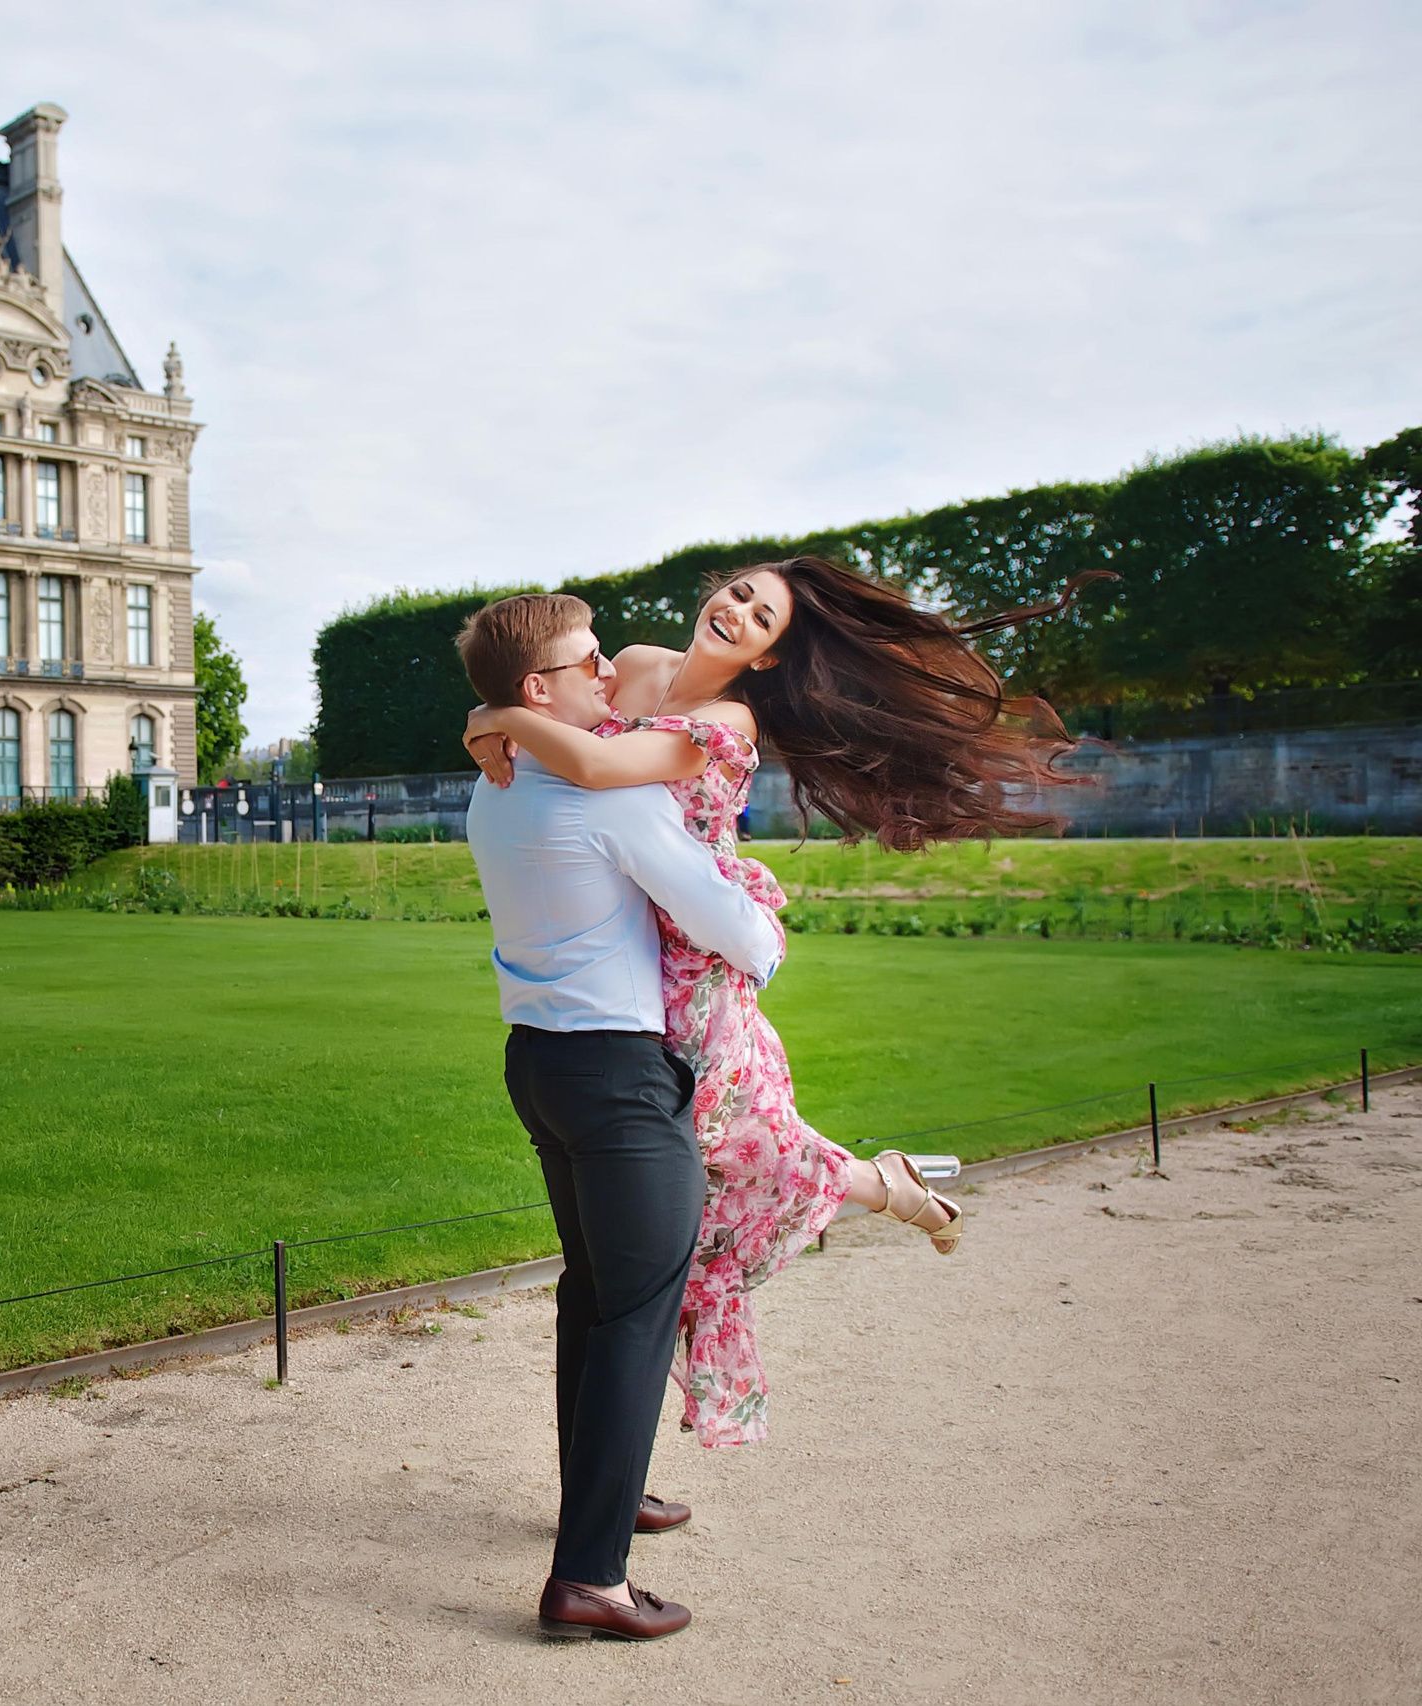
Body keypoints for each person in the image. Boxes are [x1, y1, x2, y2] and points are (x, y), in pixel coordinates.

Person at [464, 556, 1098, 1450]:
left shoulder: (727, 718)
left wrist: (495, 712)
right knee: (706, 1161)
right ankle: (887, 1186)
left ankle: (885, 1190)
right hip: (633, 932)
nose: (738, 612)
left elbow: (601, 768)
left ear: (767, 655)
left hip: (700, 949)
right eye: (739, 592)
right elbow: (563, 735)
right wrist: (499, 714)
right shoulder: (633, 664)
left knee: (723, 1149)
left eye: (762, 619)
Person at [457, 591, 785, 1642]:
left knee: (592, 1297)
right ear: (537, 691)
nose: (609, 673)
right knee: (635, 1315)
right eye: (585, 662)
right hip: (619, 1078)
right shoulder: (611, 795)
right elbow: (735, 930)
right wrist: (765, 918)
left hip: (539, 1064)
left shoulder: (494, 786)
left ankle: (608, 1494)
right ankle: (590, 1576)